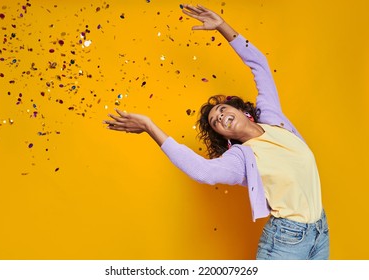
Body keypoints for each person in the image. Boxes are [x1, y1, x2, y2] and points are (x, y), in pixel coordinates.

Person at [103, 4, 329, 260]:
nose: (220, 117)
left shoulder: (272, 117)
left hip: (320, 231)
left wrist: (222, 26)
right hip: (286, 240)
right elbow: (202, 171)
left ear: (240, 110)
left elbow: (260, 65)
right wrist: (149, 127)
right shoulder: (243, 158)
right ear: (225, 137)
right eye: (215, 122)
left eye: (221, 110)